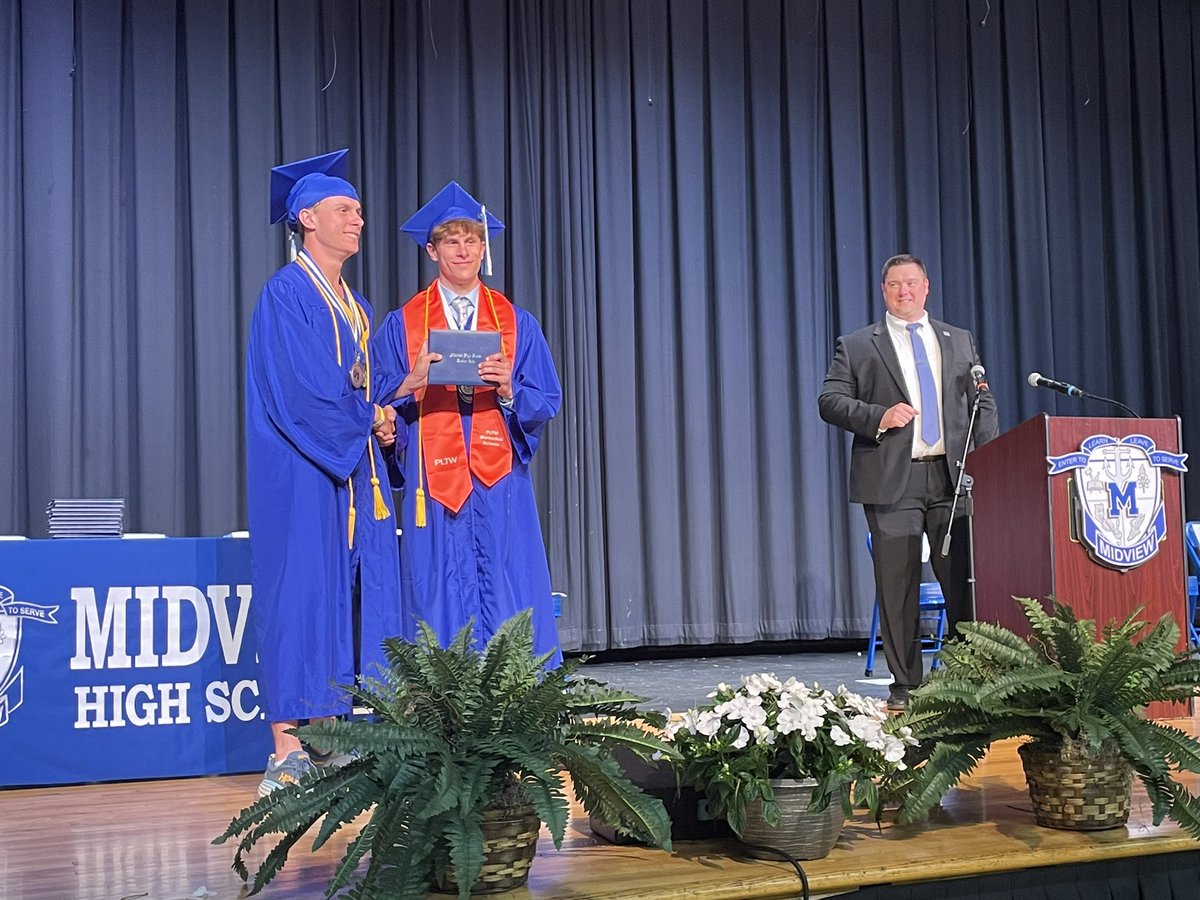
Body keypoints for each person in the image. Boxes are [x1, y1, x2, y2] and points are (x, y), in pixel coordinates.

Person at [245, 149, 402, 794]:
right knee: (301, 598)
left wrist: (385, 416)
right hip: (301, 470)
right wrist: (365, 418)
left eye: (360, 210)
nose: (358, 220)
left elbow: (365, 386)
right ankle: (286, 753)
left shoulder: (357, 305)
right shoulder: (287, 295)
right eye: (344, 210)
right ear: (307, 217)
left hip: (351, 472)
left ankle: (333, 738)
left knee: (344, 600)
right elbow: (304, 392)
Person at [372, 182, 562, 664]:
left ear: (484, 248)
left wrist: (508, 390)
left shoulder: (517, 322)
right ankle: (441, 714)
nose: (463, 249)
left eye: (472, 239)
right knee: (438, 585)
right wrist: (409, 381)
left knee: (506, 582)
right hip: (433, 483)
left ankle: (516, 707)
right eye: (451, 240)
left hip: (498, 482)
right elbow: (373, 401)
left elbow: (548, 398)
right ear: (432, 250)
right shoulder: (403, 324)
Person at [818, 254, 997, 711]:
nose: (904, 291)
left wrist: (983, 455)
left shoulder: (958, 339)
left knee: (964, 581)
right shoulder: (858, 345)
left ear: (926, 287)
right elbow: (830, 401)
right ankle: (907, 686)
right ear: (884, 291)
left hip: (951, 480)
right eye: (895, 284)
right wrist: (879, 416)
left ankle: (965, 678)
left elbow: (982, 402)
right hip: (892, 481)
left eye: (911, 283)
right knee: (897, 588)